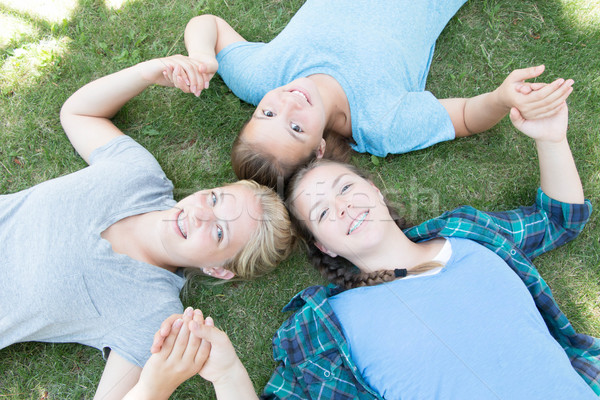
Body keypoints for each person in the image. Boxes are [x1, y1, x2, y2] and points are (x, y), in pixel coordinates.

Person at [129, 95, 600, 399]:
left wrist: (552, 138)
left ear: (375, 192)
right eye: (320, 211)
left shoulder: (468, 235)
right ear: (323, 245)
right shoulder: (325, 330)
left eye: (345, 188)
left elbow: (558, 220)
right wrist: (229, 372)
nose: (342, 207)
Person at [0, 55, 293, 399]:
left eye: (219, 232)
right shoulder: (139, 174)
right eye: (214, 199)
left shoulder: (153, 315)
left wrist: (156, 386)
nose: (201, 215)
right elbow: (78, 114)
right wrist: (145, 73)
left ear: (218, 269)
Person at [171, 0, 575, 188]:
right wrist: (503, 98)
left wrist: (202, 57)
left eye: (266, 115)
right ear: (317, 151)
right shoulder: (382, 124)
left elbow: (208, 23)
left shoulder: (261, 77)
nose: (287, 103)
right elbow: (467, 116)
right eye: (295, 127)